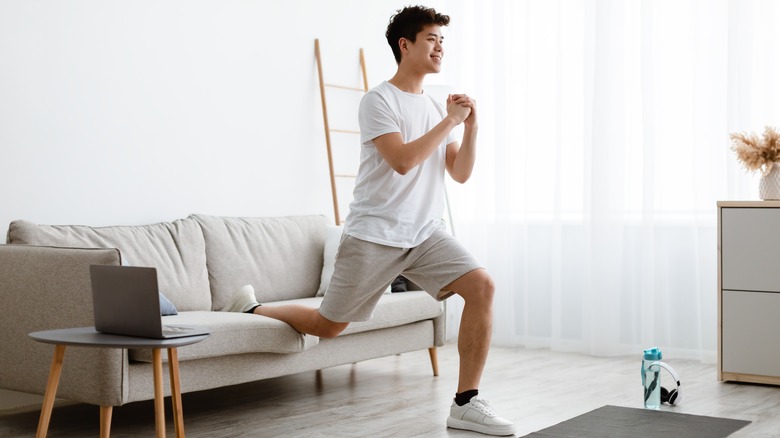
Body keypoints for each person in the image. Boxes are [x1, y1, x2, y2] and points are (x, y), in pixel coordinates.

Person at [222, 5, 516, 436]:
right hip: (374, 235)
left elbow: (460, 173)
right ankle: (253, 306)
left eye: (442, 41)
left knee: (483, 286)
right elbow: (402, 161)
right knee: (329, 326)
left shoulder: (436, 105)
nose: (439, 47)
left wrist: (470, 127)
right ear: (406, 45)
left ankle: (465, 403)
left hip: (424, 232)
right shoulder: (377, 100)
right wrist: (449, 120)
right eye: (431, 39)